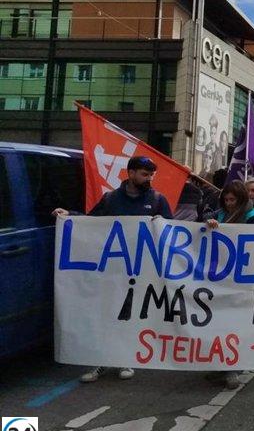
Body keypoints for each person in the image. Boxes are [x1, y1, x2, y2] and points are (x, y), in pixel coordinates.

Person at [52, 155, 173, 383]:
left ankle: (125, 357)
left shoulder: (158, 200)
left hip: (142, 270)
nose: (149, 179)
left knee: (130, 314)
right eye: (144, 174)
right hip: (113, 269)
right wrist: (70, 216)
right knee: (108, 313)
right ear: (131, 173)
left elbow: (172, 231)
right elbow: (91, 222)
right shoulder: (110, 199)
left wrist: (162, 223)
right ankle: (103, 359)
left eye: (151, 175)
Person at [205, 180, 254, 390]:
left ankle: (233, 367)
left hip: (240, 278)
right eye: (226, 200)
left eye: (232, 200)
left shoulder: (252, 217)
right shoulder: (219, 214)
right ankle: (221, 363)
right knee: (219, 321)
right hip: (220, 276)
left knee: (236, 323)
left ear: (241, 200)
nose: (229, 204)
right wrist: (208, 223)